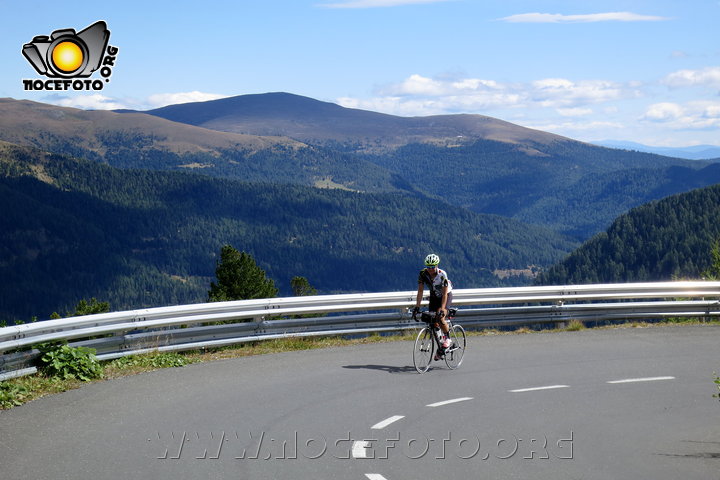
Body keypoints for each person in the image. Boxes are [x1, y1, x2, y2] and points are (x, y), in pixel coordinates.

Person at [413, 253, 453, 360]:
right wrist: (417, 307)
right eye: (428, 266)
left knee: (440, 315)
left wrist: (442, 309)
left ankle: (448, 338)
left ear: (437, 265)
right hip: (434, 296)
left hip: (446, 295)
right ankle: (441, 346)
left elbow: (444, 294)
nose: (430, 269)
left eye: (433, 266)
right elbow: (420, 291)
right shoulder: (422, 274)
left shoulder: (442, 274)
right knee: (432, 321)